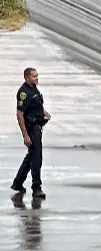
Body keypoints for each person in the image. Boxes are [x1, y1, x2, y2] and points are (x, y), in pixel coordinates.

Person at [12, 67, 49, 199]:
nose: (36, 78)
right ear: (27, 78)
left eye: (37, 75)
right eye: (34, 76)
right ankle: (36, 187)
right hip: (31, 130)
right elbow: (20, 114)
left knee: (31, 157)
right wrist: (25, 135)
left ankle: (18, 183)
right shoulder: (24, 92)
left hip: (38, 128)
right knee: (36, 159)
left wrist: (44, 113)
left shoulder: (34, 89)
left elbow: (35, 105)